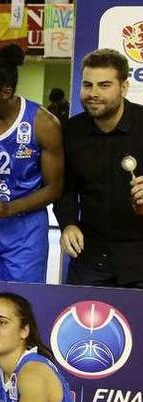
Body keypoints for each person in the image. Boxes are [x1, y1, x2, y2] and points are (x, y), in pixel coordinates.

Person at [0, 44, 63, 282]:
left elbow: (55, 188)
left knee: (22, 305)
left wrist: (10, 209)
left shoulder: (43, 123)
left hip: (25, 230)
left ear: (5, 93)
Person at [55, 49, 143, 289]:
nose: (93, 93)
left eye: (104, 85)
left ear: (124, 87)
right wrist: (68, 224)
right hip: (90, 257)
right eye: (87, 85)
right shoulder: (71, 131)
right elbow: (65, 188)